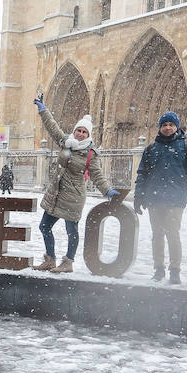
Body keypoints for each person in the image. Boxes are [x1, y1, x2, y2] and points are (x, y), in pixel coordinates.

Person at [31, 96, 121, 273]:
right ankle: (50, 260)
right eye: (78, 130)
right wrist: (43, 110)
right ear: (74, 131)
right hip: (56, 193)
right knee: (44, 226)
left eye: (84, 132)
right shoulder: (66, 143)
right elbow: (52, 127)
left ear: (88, 135)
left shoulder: (90, 154)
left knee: (71, 230)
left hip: (73, 197)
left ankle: (68, 262)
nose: (80, 134)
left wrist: (107, 190)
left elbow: (97, 175)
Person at [133, 110, 187, 285]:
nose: (167, 128)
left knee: (173, 234)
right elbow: (142, 174)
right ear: (159, 127)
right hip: (154, 199)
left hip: (175, 198)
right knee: (157, 235)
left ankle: (175, 270)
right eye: (164, 125)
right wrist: (138, 196)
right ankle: (158, 269)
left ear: (177, 127)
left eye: (171, 125)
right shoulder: (151, 149)